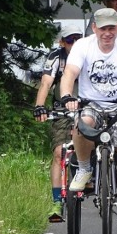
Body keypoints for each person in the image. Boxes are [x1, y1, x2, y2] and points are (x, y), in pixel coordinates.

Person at [60, 8, 117, 227]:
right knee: (83, 124)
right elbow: (70, 73)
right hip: (91, 103)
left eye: (112, 28)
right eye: (103, 29)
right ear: (94, 28)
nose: (108, 33)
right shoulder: (83, 46)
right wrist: (67, 95)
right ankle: (84, 168)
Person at [33, 24, 83, 222]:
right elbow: (46, 83)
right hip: (62, 110)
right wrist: (39, 106)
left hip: (87, 108)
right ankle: (56, 201)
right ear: (62, 42)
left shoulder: (89, 52)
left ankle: (94, 178)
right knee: (59, 152)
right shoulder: (56, 57)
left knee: (94, 144)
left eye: (78, 38)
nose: (75, 43)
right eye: (71, 40)